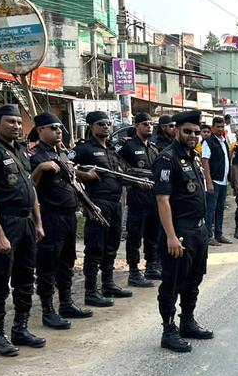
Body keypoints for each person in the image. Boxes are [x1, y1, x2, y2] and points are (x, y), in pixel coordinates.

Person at [0, 104, 46, 357]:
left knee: (26, 278)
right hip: (5, 223)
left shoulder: (23, 151)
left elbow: (31, 189)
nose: (16, 126)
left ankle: (21, 329)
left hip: (26, 223)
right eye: (10, 122)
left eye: (18, 122)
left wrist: (38, 222)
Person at [153, 110, 214, 352]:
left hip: (197, 232)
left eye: (196, 132)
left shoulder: (193, 157)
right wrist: (170, 236)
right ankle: (168, 331)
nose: (192, 136)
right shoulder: (167, 159)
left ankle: (187, 321)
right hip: (179, 233)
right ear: (176, 130)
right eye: (187, 131)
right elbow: (162, 200)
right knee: (172, 282)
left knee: (193, 280)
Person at [28, 112, 95, 330]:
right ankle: (48, 310)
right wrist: (40, 169)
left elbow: (73, 183)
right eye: (53, 128)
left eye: (59, 128)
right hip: (49, 216)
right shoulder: (34, 156)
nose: (58, 132)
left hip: (68, 215)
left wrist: (88, 206)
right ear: (40, 131)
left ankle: (66, 303)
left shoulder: (63, 154)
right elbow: (28, 189)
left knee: (67, 261)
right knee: (48, 263)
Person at [72, 111, 135, 306]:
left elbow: (119, 174)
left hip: (116, 203)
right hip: (97, 202)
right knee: (95, 248)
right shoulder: (83, 149)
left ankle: (108, 284)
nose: (106, 127)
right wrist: (84, 175)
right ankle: (91, 291)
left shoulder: (112, 149)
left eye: (108, 124)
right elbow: (66, 166)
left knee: (112, 245)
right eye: (101, 124)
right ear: (91, 126)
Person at [119, 112, 161, 286]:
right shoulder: (128, 148)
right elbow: (120, 172)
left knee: (153, 234)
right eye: (144, 124)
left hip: (153, 198)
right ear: (136, 126)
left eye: (150, 123)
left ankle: (151, 266)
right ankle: (134, 271)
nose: (148, 126)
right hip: (137, 198)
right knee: (135, 235)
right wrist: (136, 183)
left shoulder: (153, 149)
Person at [201, 116, 233, 246]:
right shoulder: (208, 142)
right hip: (214, 181)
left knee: (220, 209)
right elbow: (205, 162)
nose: (221, 129)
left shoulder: (224, 141)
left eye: (222, 126)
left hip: (223, 180)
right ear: (212, 128)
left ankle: (219, 234)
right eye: (218, 127)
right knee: (210, 210)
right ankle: (209, 236)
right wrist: (208, 182)